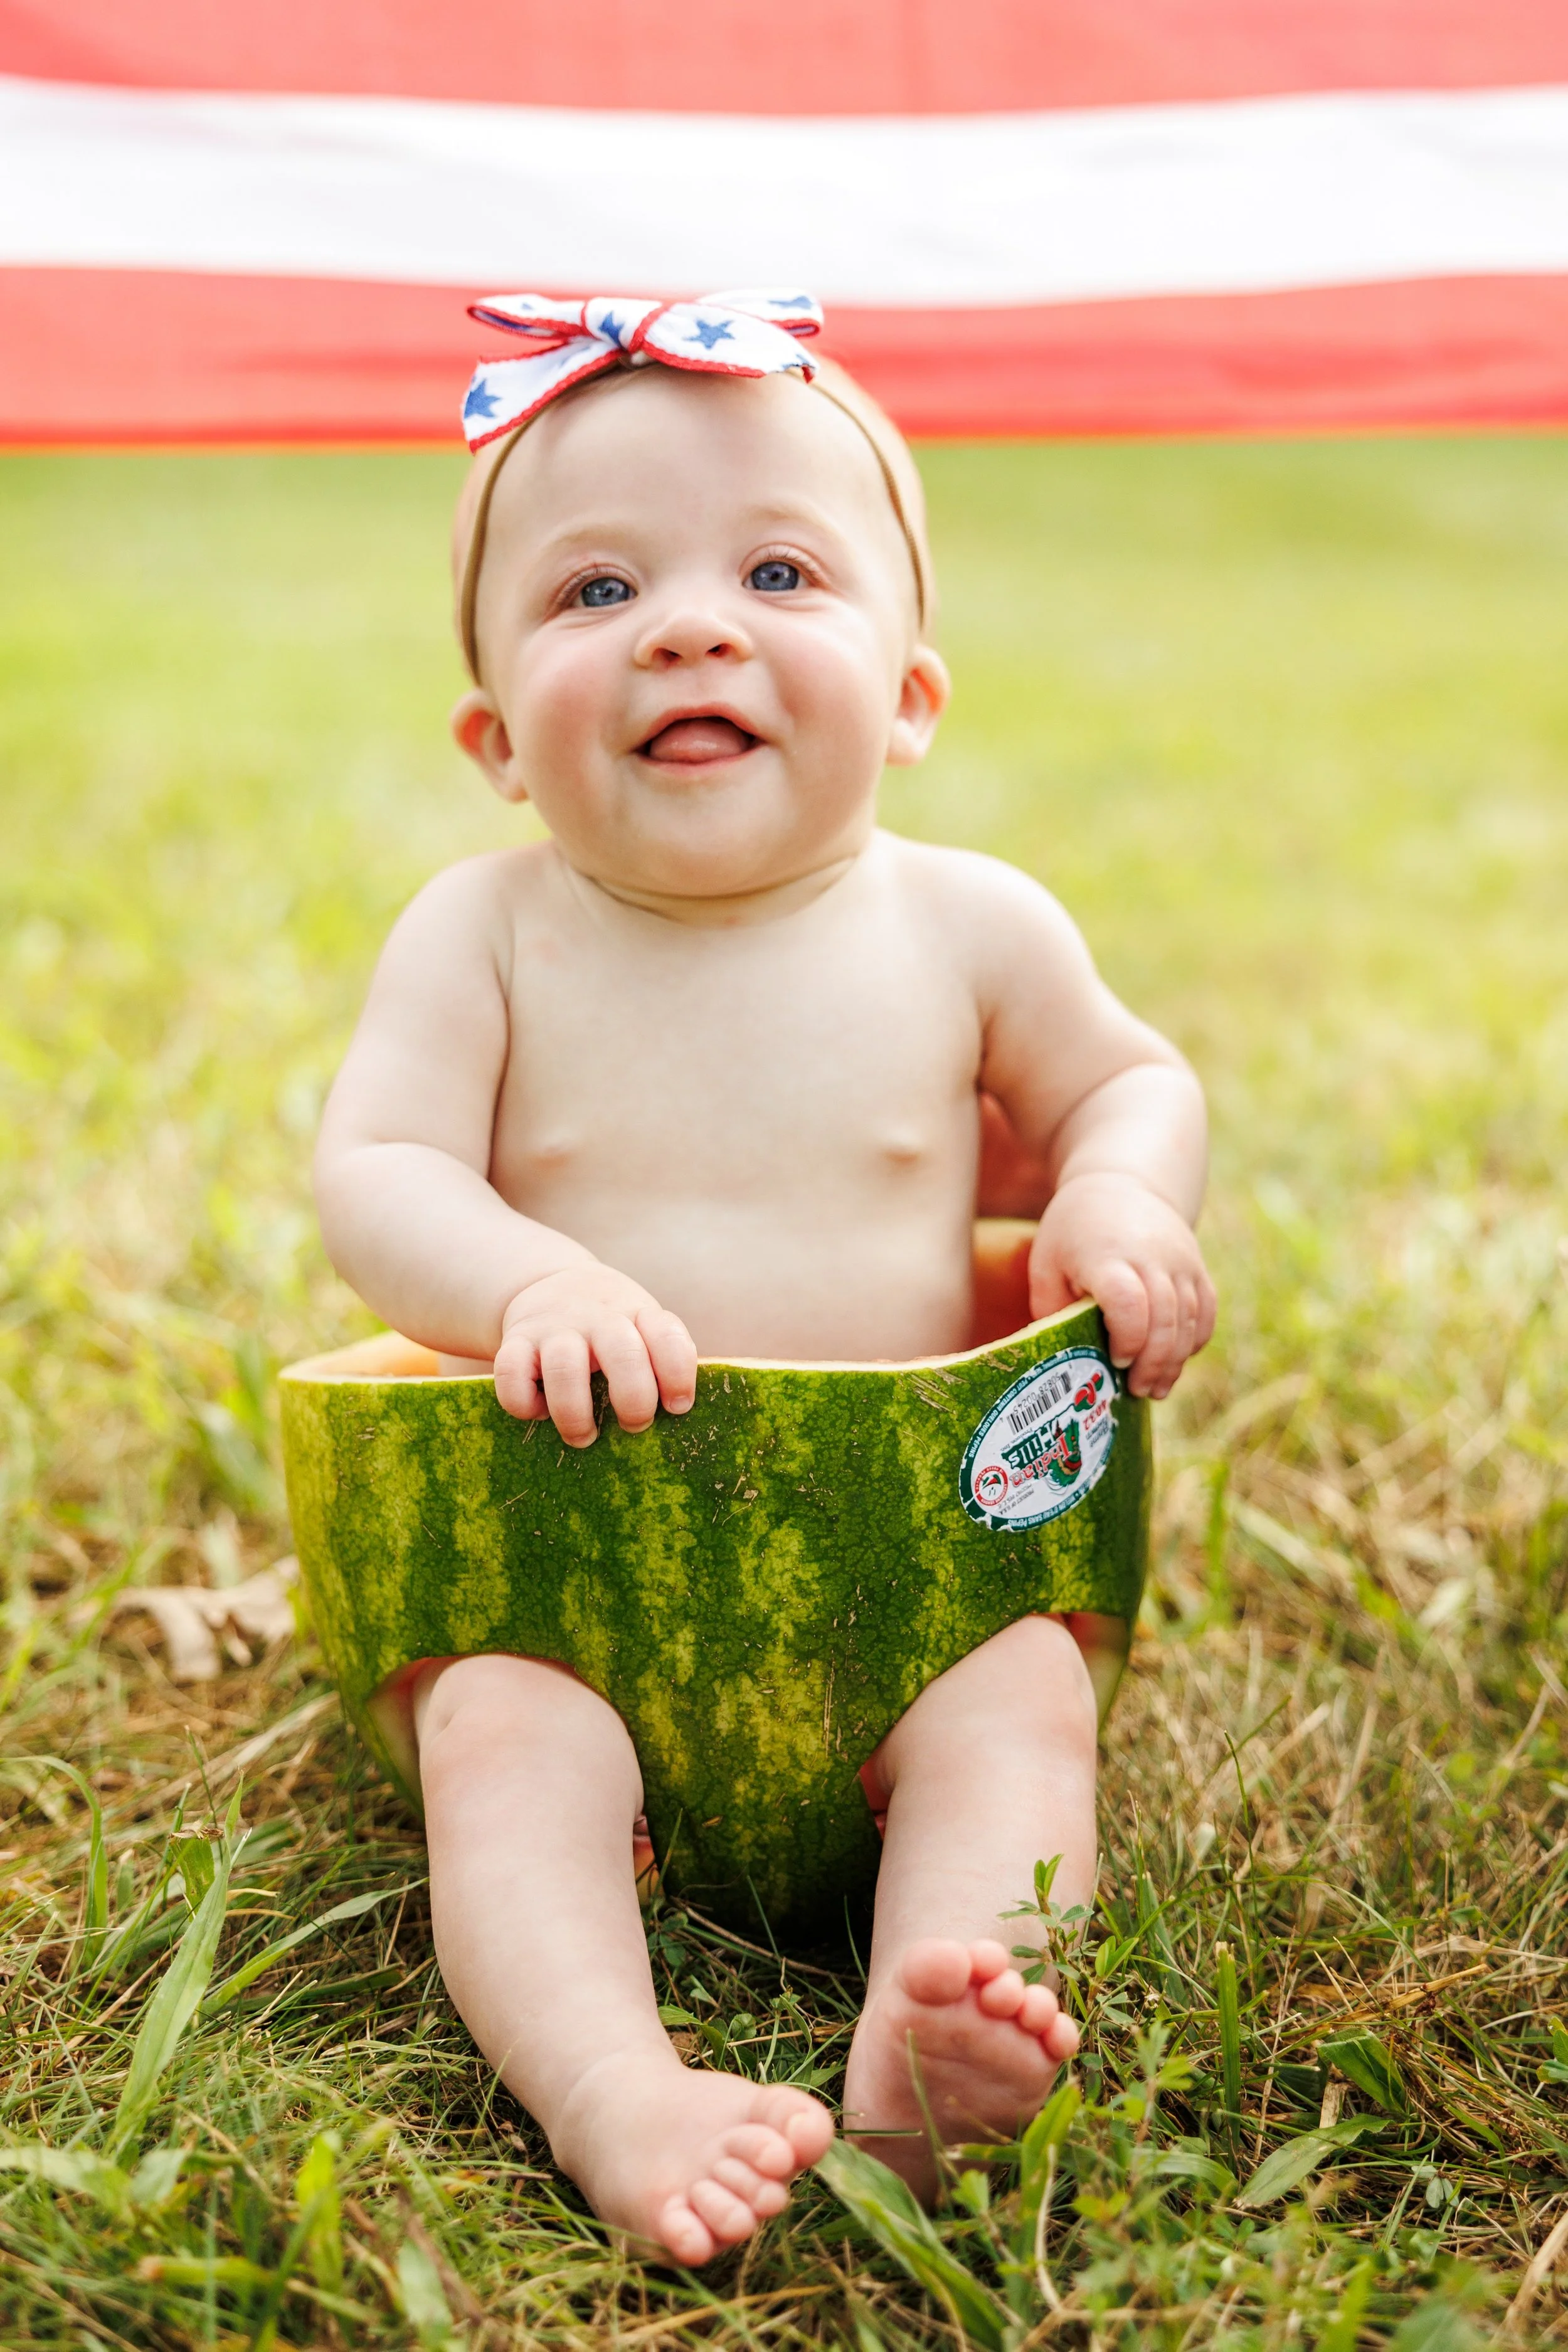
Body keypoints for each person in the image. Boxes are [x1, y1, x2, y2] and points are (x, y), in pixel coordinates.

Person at [313, 292, 1215, 2266]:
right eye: (595, 587)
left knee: (1023, 1700)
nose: (688, 625)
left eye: (778, 570)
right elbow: (374, 1171)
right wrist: (523, 1275)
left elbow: (1126, 1079)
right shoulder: (479, 934)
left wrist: (1119, 1199)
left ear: (907, 693)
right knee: (499, 1743)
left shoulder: (973, 923)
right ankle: (609, 2081)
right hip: (570, 1568)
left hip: (914, 1577)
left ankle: (937, 2033)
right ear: (492, 739)